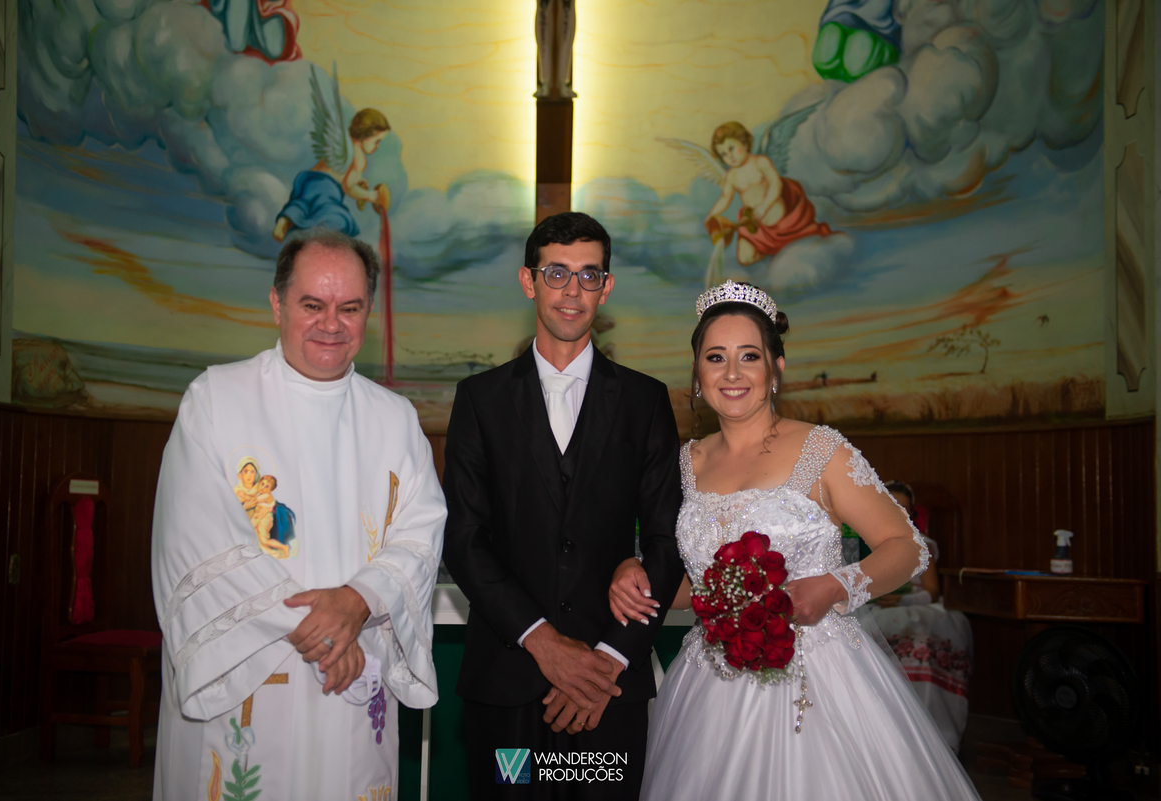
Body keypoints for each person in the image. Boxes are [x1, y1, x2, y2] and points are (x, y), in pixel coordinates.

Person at [609, 280, 981, 799]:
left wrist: (833, 586)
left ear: (776, 368)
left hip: (817, 675)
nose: (732, 373)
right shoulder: (683, 466)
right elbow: (692, 588)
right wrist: (633, 579)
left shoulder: (821, 450)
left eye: (749, 356)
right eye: (715, 358)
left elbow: (907, 547)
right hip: (709, 681)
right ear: (696, 372)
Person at [151, 227, 446, 800]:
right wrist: (328, 633)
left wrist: (358, 601)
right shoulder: (215, 401)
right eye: (312, 305)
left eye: (349, 308)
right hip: (252, 673)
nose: (331, 324)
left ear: (368, 312)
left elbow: (421, 533)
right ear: (277, 303)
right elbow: (195, 545)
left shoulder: (395, 420)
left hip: (354, 677)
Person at [442, 212, 686, 799]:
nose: (572, 291)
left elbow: (667, 538)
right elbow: (465, 539)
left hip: (607, 691)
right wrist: (542, 641)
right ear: (528, 281)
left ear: (607, 286)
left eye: (588, 274)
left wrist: (608, 660)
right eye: (556, 273)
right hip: (508, 685)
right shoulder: (479, 400)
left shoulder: (645, 400)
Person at [871, 479, 974, 752]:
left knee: (922, 633)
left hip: (913, 605)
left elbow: (932, 591)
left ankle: (932, 731)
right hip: (873, 606)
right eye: (893, 505)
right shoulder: (863, 542)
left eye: (905, 508)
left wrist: (904, 600)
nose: (900, 512)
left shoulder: (922, 544)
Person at [703, 122, 831, 265]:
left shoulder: (761, 162)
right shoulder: (731, 177)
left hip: (776, 217)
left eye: (731, 148)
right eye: (724, 154)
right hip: (753, 223)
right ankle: (772, 252)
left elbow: (776, 184)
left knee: (792, 241)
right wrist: (711, 215)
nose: (730, 156)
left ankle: (783, 248)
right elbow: (725, 198)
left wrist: (764, 206)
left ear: (744, 144)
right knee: (744, 259)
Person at [273, 109, 391, 241]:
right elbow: (348, 187)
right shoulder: (359, 158)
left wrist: (358, 180)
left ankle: (285, 219)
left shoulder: (342, 143)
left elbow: (342, 173)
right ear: (365, 135)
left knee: (303, 205)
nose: (377, 146)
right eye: (377, 141)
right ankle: (315, 239)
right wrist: (368, 195)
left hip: (307, 180)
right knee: (338, 218)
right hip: (327, 187)